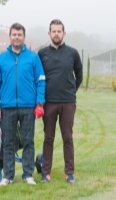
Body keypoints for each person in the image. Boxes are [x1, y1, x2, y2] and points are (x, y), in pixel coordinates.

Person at [0, 22, 46, 186]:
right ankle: (8, 175)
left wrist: (40, 103)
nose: (16, 37)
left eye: (19, 34)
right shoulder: (1, 58)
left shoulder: (33, 57)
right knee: (8, 142)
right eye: (14, 34)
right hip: (7, 107)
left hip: (28, 106)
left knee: (28, 140)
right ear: (10, 37)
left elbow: (41, 81)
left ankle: (27, 174)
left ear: (24, 37)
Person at [38, 19, 83, 184]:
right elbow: (38, 77)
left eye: (59, 31)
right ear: (49, 33)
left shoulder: (73, 53)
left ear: (64, 33)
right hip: (49, 102)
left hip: (67, 102)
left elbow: (79, 76)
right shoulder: (42, 54)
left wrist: (70, 92)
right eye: (53, 31)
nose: (56, 34)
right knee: (48, 138)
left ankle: (69, 173)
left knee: (67, 138)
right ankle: (45, 173)